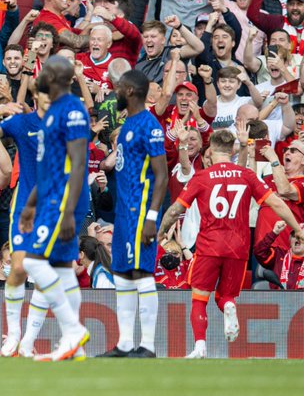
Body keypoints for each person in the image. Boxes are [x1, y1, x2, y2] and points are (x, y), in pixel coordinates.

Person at [158, 129, 304, 359]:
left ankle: (200, 346)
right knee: (225, 296)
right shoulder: (247, 175)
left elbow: (176, 209)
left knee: (199, 297)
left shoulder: (202, 177)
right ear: (231, 149)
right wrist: (296, 228)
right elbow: (276, 203)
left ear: (212, 150)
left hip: (208, 246)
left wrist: (162, 231)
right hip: (238, 247)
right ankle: (228, 305)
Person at [18, 55, 91, 362]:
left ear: (58, 77)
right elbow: (48, 166)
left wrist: (71, 212)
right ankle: (75, 345)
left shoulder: (73, 109)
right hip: (47, 198)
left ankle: (73, 330)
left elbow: (77, 164)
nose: (40, 73)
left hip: (62, 201)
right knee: (62, 271)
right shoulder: (53, 112)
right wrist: (30, 204)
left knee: (33, 263)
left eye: (45, 70)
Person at [98, 70, 168, 358]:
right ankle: (126, 343)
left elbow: (161, 176)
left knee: (141, 273)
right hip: (124, 212)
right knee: (124, 275)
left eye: (118, 88)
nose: (115, 93)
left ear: (129, 90)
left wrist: (152, 218)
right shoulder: (127, 126)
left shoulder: (149, 125)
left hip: (141, 211)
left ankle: (148, 345)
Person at [0, 96, 48, 357]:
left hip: (53, 207)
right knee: (17, 267)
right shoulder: (22, 122)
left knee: (43, 275)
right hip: (24, 205)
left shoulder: (66, 124)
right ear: (37, 97)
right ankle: (14, 332)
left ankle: (28, 339)